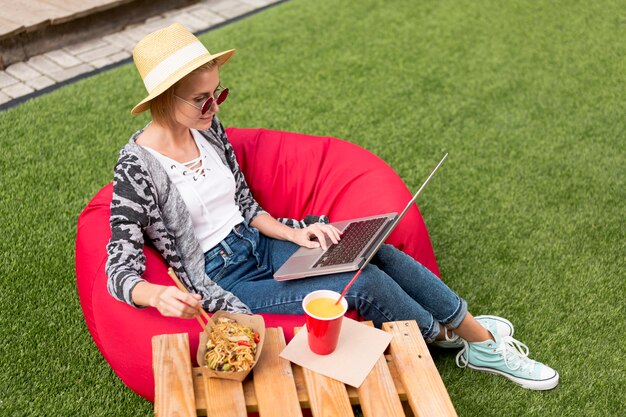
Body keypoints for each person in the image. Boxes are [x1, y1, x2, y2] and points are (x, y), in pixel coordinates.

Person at [106, 23, 559, 391]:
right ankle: (455, 338)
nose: (214, 106)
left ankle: (470, 334)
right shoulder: (137, 169)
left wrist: (294, 233)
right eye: (202, 99)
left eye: (219, 94)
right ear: (164, 99)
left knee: (370, 247)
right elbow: (117, 269)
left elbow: (244, 203)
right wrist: (156, 294)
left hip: (260, 245)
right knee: (361, 284)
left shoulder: (208, 129)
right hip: (224, 278)